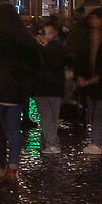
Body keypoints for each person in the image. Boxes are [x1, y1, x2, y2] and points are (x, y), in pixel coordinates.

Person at [0, 4, 43, 185]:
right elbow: (37, 65)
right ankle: (12, 169)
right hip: (17, 93)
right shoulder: (26, 40)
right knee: (15, 131)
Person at [67, 8, 102, 157]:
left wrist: (99, 76)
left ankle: (96, 143)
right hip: (88, 82)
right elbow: (79, 58)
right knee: (92, 112)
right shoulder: (85, 37)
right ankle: (100, 142)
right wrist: (80, 76)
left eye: (96, 18)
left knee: (100, 114)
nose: (93, 21)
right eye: (91, 18)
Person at [32, 18, 72, 160]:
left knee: (50, 116)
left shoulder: (58, 46)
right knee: (49, 116)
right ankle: (47, 142)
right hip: (45, 85)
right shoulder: (45, 46)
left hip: (49, 85)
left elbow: (59, 60)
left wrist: (45, 47)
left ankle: (52, 144)